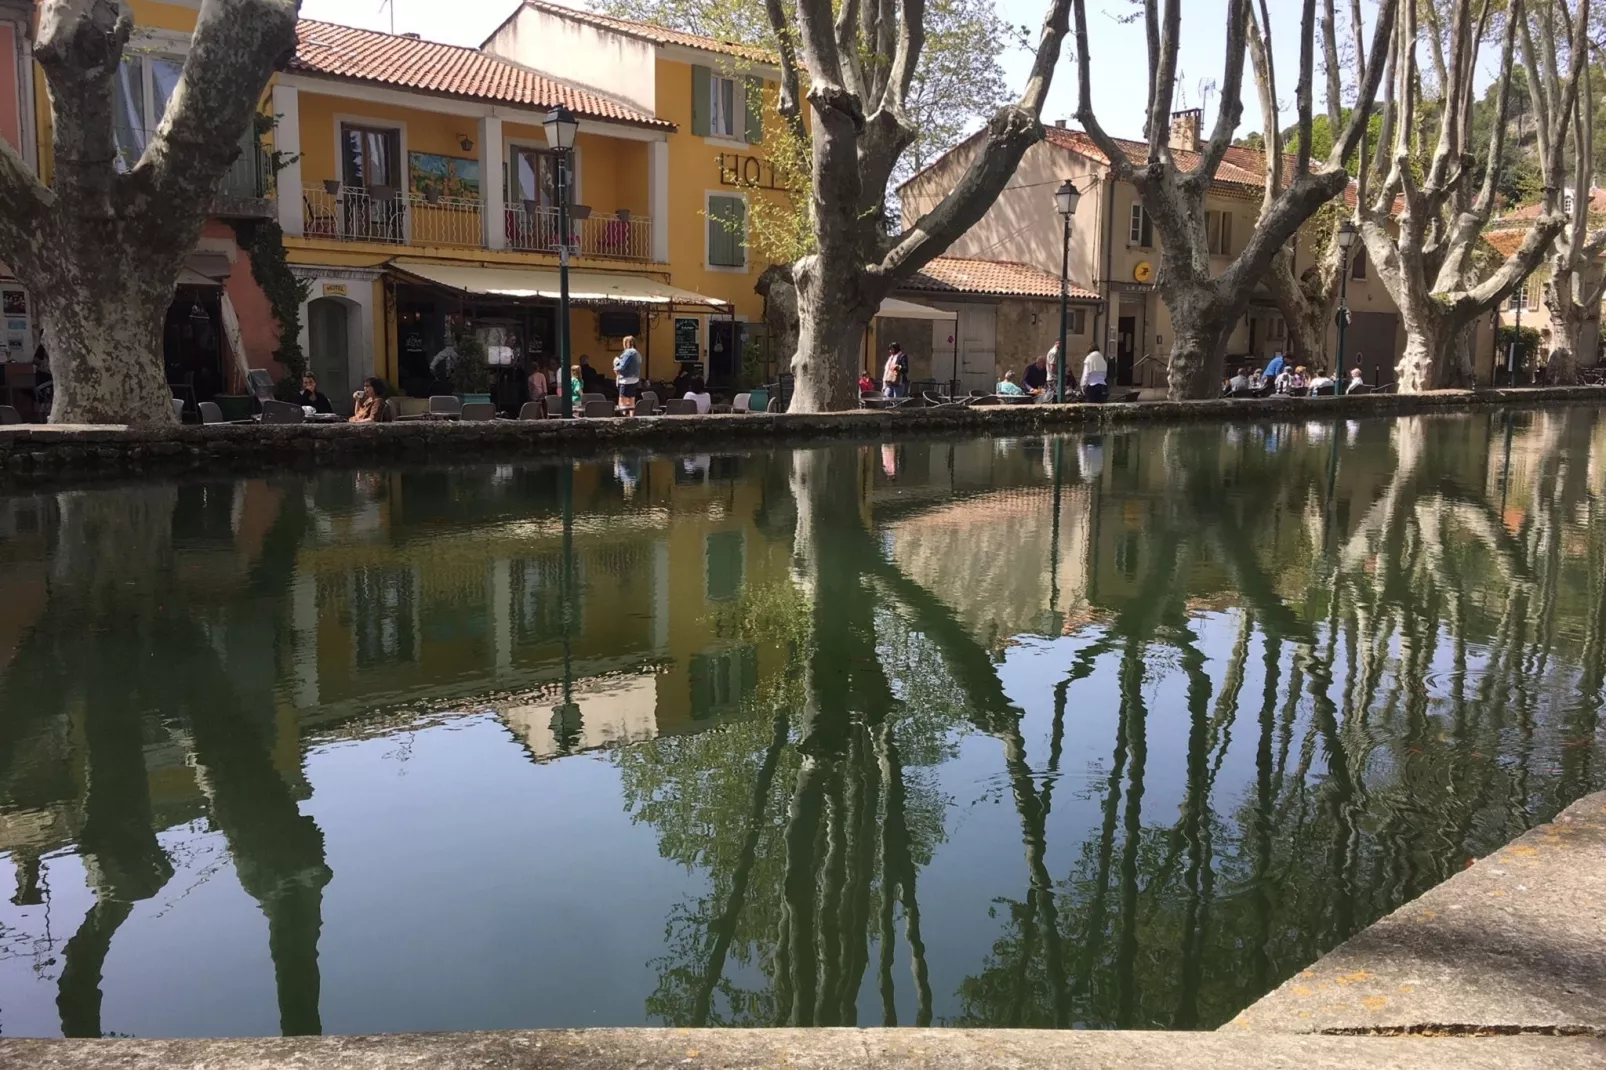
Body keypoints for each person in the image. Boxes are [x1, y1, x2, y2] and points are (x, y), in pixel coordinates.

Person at [614, 335, 642, 413]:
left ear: (626, 343)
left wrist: (616, 363)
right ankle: (631, 418)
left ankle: (623, 419)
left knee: (622, 400)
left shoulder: (629, 353)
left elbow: (622, 367)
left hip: (626, 380)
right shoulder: (637, 353)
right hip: (635, 379)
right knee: (631, 400)